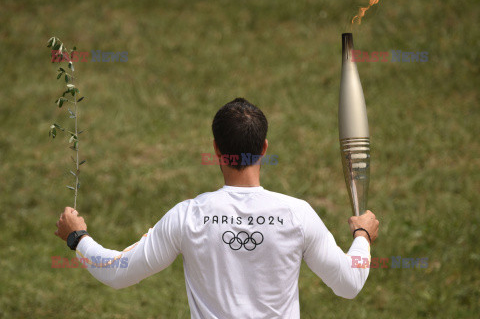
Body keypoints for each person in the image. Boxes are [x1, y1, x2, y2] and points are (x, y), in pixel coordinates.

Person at [55, 97, 380, 319]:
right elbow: (350, 283)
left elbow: (116, 272)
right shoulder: (297, 215)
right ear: (264, 147)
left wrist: (78, 238)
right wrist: (362, 234)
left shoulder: (187, 217)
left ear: (216, 149)